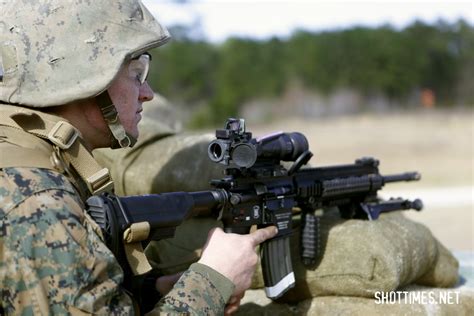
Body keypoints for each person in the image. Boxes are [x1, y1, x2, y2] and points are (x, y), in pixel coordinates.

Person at [0, 0, 277, 315]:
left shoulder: (27, 163)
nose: (147, 93)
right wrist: (213, 279)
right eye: (135, 73)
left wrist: (153, 291)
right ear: (87, 78)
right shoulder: (38, 202)